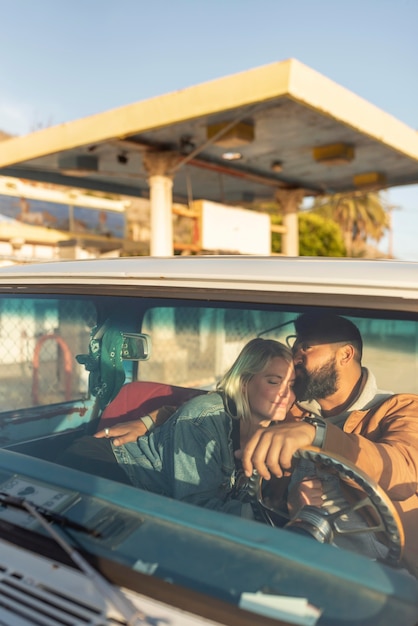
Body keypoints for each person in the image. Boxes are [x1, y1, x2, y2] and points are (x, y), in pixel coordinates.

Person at [239, 312, 418, 578]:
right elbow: (230, 402)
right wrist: (155, 417)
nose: (294, 354)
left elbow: (404, 469)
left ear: (345, 355)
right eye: (295, 344)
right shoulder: (290, 406)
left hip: (381, 572)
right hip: (291, 550)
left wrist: (317, 435)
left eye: (306, 347)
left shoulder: (399, 408)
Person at [60, 338, 296, 518]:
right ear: (244, 384)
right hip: (104, 468)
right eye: (274, 382)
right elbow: (197, 508)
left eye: (291, 384)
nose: (286, 394)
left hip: (147, 496)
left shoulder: (277, 431)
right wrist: (271, 515)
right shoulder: (204, 418)